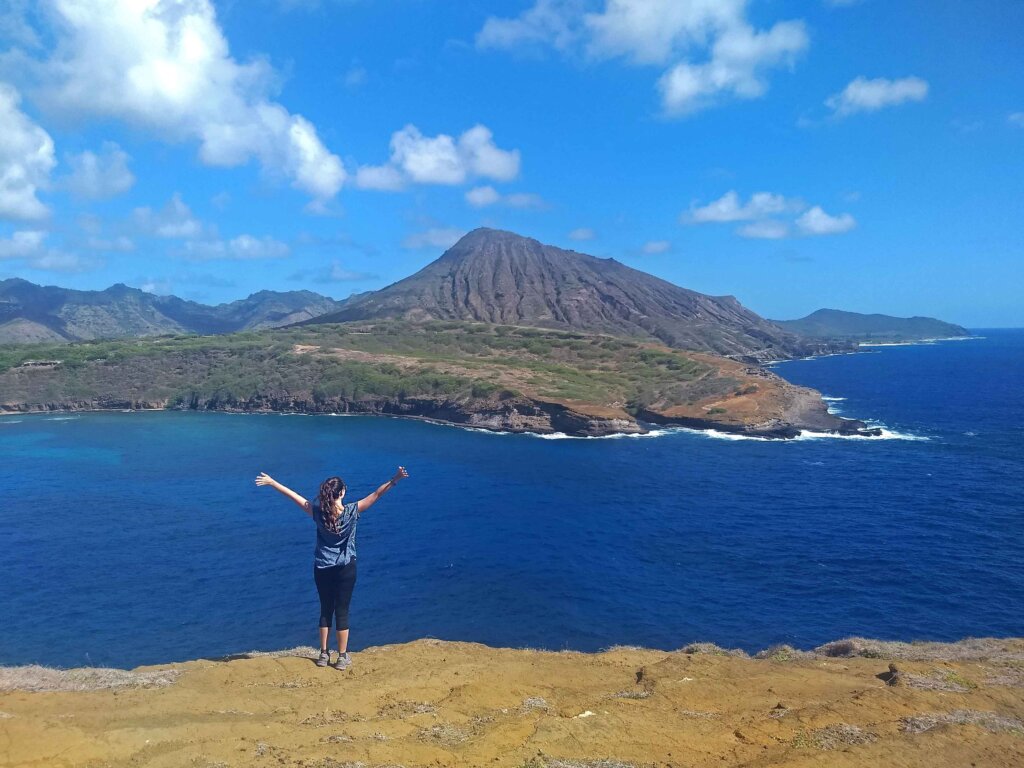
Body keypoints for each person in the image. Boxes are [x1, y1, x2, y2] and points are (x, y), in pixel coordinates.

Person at [255, 466, 409, 670]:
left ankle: (323, 654)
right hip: (346, 568)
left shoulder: (318, 513)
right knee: (342, 611)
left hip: (322, 567)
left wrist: (273, 483)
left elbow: (295, 497)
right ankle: (342, 657)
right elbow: (377, 494)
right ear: (342, 493)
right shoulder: (353, 511)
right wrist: (395, 478)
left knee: (325, 609)